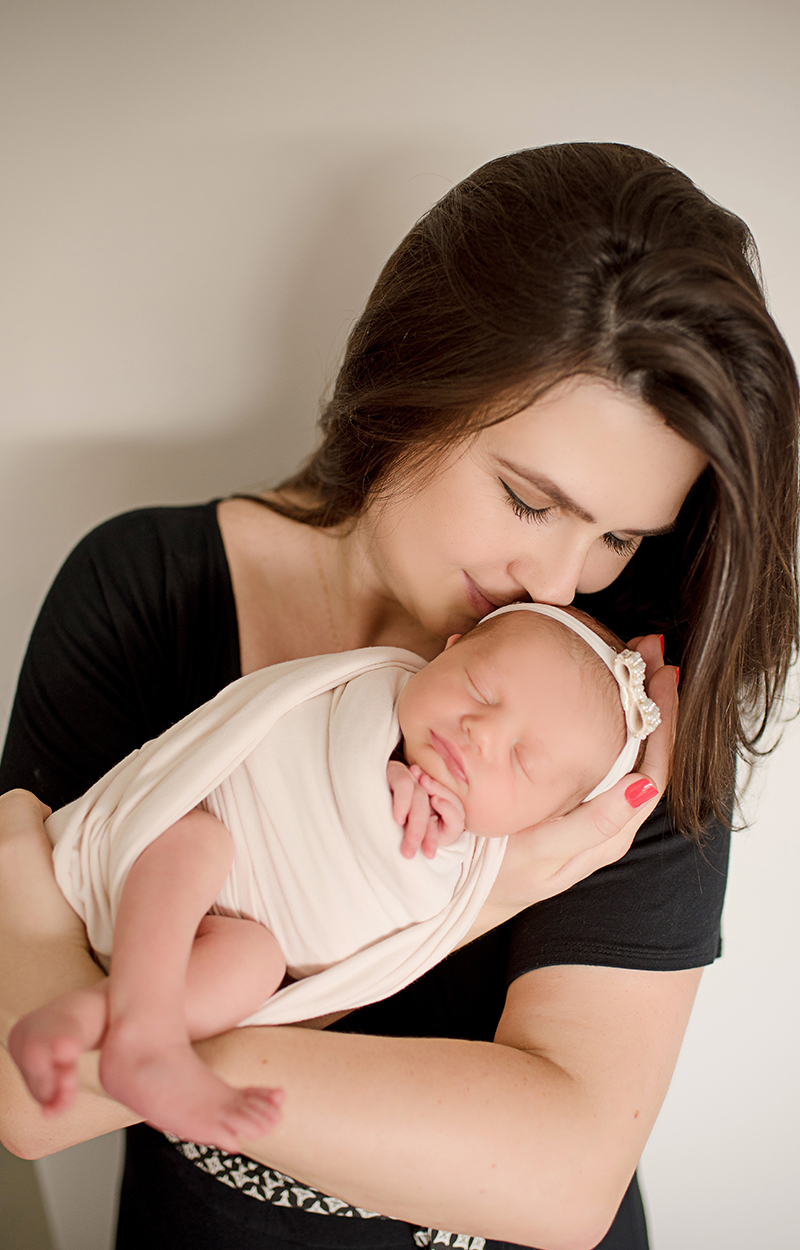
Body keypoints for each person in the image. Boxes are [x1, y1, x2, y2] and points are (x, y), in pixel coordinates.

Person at [0, 142, 797, 1250]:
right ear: (413, 373)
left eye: (616, 534)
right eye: (526, 499)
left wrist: (155, 1043)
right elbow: (28, 1105)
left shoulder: (605, 715)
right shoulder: (148, 591)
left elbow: (563, 1178)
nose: (559, 585)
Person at [8, 604, 661, 1155]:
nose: (481, 732)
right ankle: (147, 1034)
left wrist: (428, 846)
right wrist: (376, 786)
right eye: (481, 689)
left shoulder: (472, 867)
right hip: (159, 854)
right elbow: (300, 742)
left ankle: (88, 1021)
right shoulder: (367, 697)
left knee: (254, 965)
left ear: (544, 819)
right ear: (447, 650)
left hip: (219, 936)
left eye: (522, 760)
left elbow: (394, 926)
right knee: (195, 842)